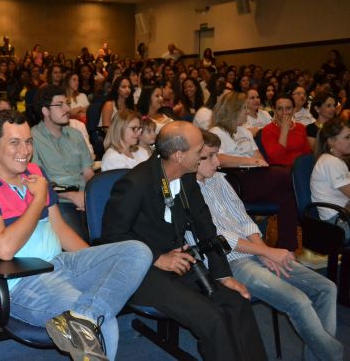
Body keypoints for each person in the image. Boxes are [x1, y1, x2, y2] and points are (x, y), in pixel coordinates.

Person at [0, 110, 152, 361]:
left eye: (28, 141)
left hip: (61, 264)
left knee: (137, 251)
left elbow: (60, 229)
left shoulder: (34, 172)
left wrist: (94, 261)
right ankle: (87, 320)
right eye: (15, 142)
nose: (25, 151)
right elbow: (4, 249)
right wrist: (38, 199)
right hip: (21, 282)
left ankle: (85, 316)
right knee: (104, 325)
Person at [100, 121, 267, 361]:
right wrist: (157, 258)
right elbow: (111, 237)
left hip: (180, 263)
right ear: (179, 155)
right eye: (199, 151)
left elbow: (206, 228)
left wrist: (223, 275)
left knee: (236, 303)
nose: (202, 155)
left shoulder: (187, 178)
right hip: (143, 271)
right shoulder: (135, 184)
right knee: (212, 318)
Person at [197, 130, 343, 361]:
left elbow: (244, 219)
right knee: (298, 301)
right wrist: (265, 251)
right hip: (230, 263)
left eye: (216, 155)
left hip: (254, 250)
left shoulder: (219, 179)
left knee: (327, 288)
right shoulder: (187, 192)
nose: (217, 162)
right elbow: (221, 239)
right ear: (192, 157)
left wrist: (265, 252)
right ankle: (335, 355)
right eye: (210, 156)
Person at [209, 92, 299, 250]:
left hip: (254, 176)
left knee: (287, 195)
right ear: (233, 110)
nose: (247, 111)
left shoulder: (244, 132)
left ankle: (287, 248)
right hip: (234, 180)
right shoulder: (217, 132)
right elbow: (218, 159)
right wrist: (248, 161)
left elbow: (258, 156)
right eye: (244, 108)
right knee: (288, 175)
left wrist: (257, 162)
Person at [32, 86, 94, 240]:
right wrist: (72, 195)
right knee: (79, 240)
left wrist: (89, 195)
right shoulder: (33, 138)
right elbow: (39, 182)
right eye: (60, 105)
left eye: (67, 103)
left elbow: (88, 172)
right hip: (58, 200)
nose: (67, 108)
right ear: (45, 111)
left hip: (84, 196)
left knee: (110, 233)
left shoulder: (76, 135)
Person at [311, 118, 350, 241]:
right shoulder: (330, 162)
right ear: (331, 141)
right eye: (347, 137)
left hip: (342, 214)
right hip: (336, 222)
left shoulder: (335, 160)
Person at [261, 95, 311, 166]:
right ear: (274, 110)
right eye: (280, 109)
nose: (284, 112)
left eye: (288, 108)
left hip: (301, 167)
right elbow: (276, 158)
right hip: (281, 169)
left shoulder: (300, 127)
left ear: (294, 110)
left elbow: (307, 153)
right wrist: (284, 131)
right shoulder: (268, 130)